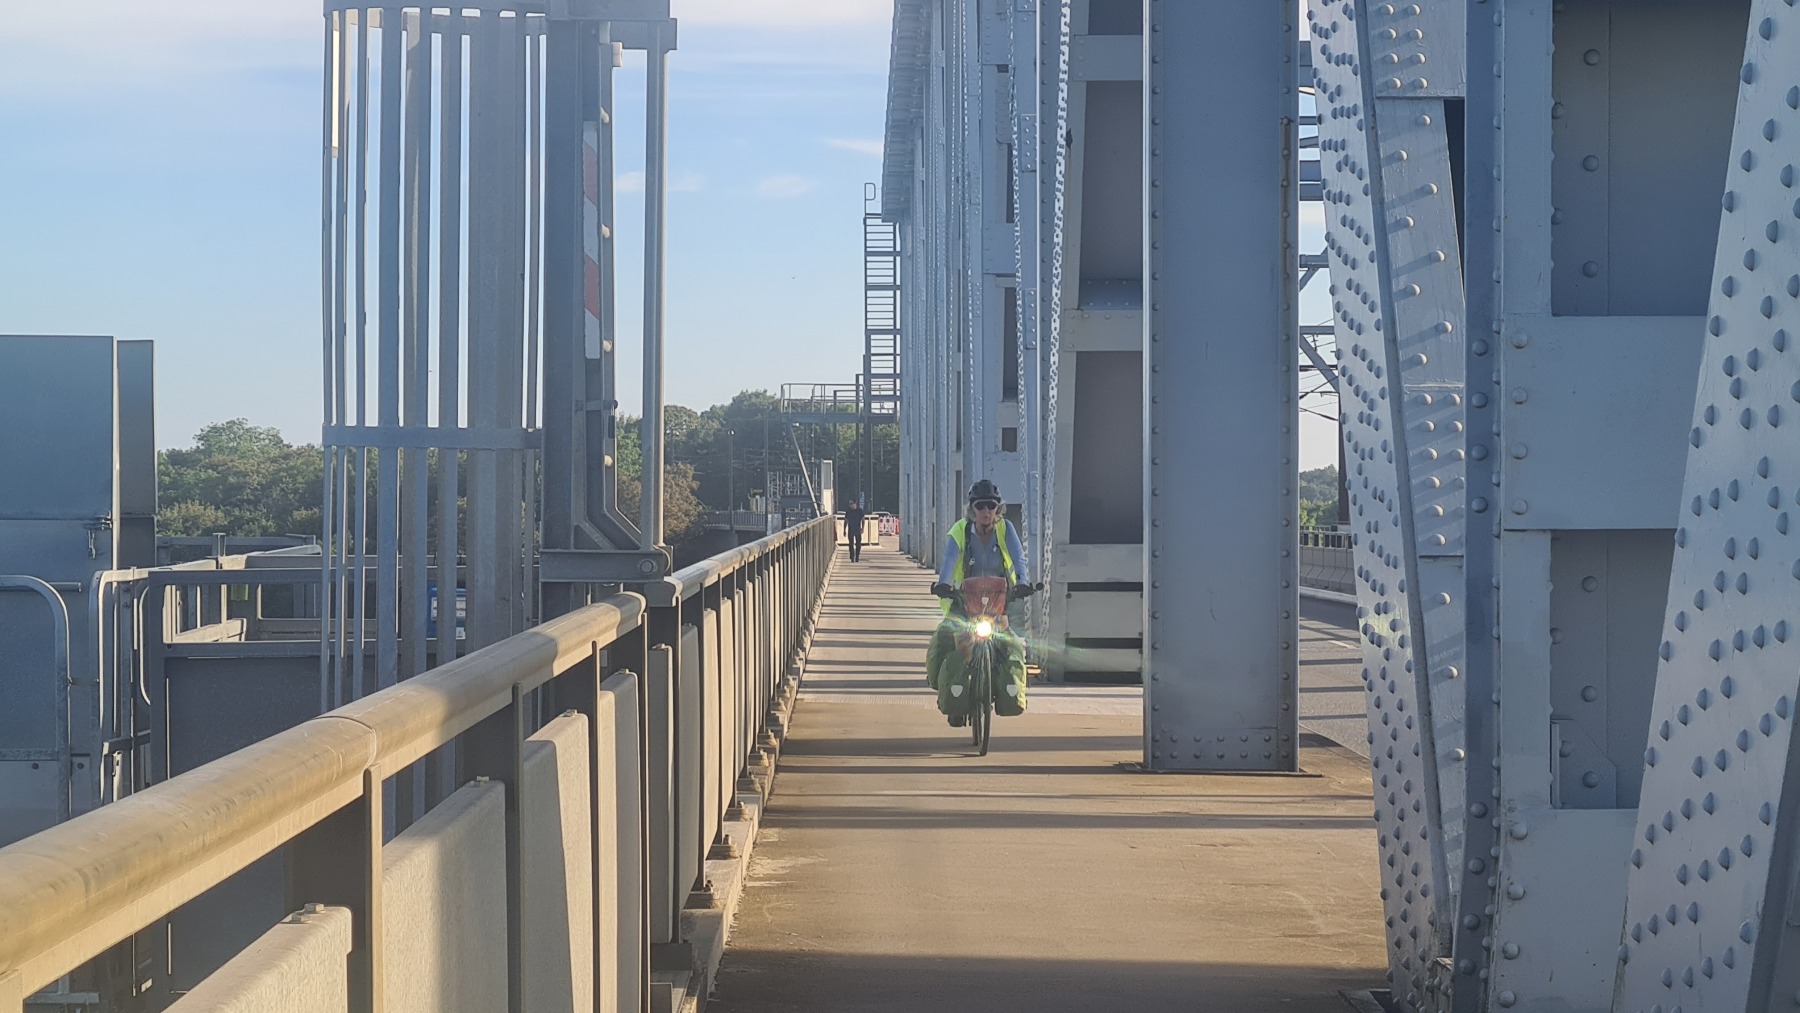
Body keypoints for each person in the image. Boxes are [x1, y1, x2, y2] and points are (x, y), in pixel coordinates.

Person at [926, 480, 1034, 727]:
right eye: (980, 506)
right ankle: (954, 695)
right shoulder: (960, 530)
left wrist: (1023, 582)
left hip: (996, 602)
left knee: (1012, 644)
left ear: (998, 509)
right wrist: (943, 584)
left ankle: (1006, 689)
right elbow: (949, 560)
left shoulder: (1005, 529)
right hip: (964, 601)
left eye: (991, 506)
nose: (986, 511)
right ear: (972, 509)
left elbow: (1018, 557)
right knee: (947, 639)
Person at [844, 498, 867, 562]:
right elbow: (845, 521)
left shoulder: (859, 511)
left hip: (857, 529)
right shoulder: (848, 511)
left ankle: (857, 556)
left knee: (858, 544)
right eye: (850, 504)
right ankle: (852, 556)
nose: (850, 505)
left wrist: (863, 528)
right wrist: (844, 530)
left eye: (851, 504)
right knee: (851, 544)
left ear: (855, 504)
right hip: (851, 529)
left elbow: (863, 520)